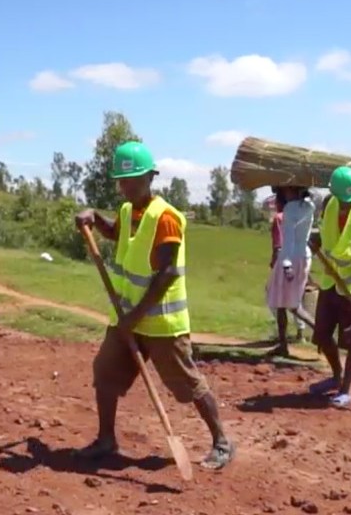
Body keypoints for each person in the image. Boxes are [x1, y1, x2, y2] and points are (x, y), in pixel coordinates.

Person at [73, 140, 235, 470]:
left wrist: (135, 316)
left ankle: (222, 442)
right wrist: (94, 218)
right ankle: (107, 440)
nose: (125, 186)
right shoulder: (126, 211)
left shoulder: (167, 218)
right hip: (126, 320)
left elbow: (166, 275)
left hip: (161, 324)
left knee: (188, 384)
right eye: (121, 180)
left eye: (132, 180)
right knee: (105, 372)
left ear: (149, 177)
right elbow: (117, 235)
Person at [307, 166, 351, 410]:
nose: (347, 205)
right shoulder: (329, 204)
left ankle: (346, 390)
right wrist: (315, 239)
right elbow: (324, 231)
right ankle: (336, 375)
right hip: (330, 282)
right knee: (322, 334)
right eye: (344, 201)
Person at [265, 185, 316, 357]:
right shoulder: (309, 206)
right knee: (282, 303)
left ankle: (323, 335)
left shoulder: (290, 208)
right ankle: (283, 344)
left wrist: (286, 264)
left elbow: (288, 240)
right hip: (303, 256)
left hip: (290, 257)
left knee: (292, 306)